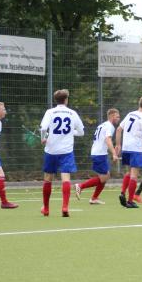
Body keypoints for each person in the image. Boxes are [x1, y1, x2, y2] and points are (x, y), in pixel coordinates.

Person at [40, 89, 84, 217]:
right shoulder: (72, 113)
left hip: (51, 149)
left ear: (56, 100)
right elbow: (81, 132)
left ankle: (46, 209)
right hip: (66, 150)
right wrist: (71, 132)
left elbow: (43, 128)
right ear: (66, 100)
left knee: (48, 179)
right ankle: (65, 207)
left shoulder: (50, 112)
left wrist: (43, 138)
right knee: (66, 178)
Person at [115, 96, 142, 208]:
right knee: (134, 175)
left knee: (129, 172)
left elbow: (119, 129)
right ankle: (130, 201)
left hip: (126, 147)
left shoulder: (130, 114)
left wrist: (118, 144)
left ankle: (122, 193)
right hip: (136, 148)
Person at [75, 108, 120, 204]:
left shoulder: (102, 125)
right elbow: (108, 140)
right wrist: (114, 153)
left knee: (105, 176)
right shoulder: (110, 126)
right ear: (112, 116)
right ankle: (81, 186)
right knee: (104, 177)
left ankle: (94, 198)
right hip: (99, 154)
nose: (118, 118)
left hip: (97, 153)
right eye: (117, 116)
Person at [0, 101, 18, 209]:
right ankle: (4, 202)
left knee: (0, 175)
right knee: (0, 175)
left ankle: (4, 202)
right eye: (3, 109)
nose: (5, 111)